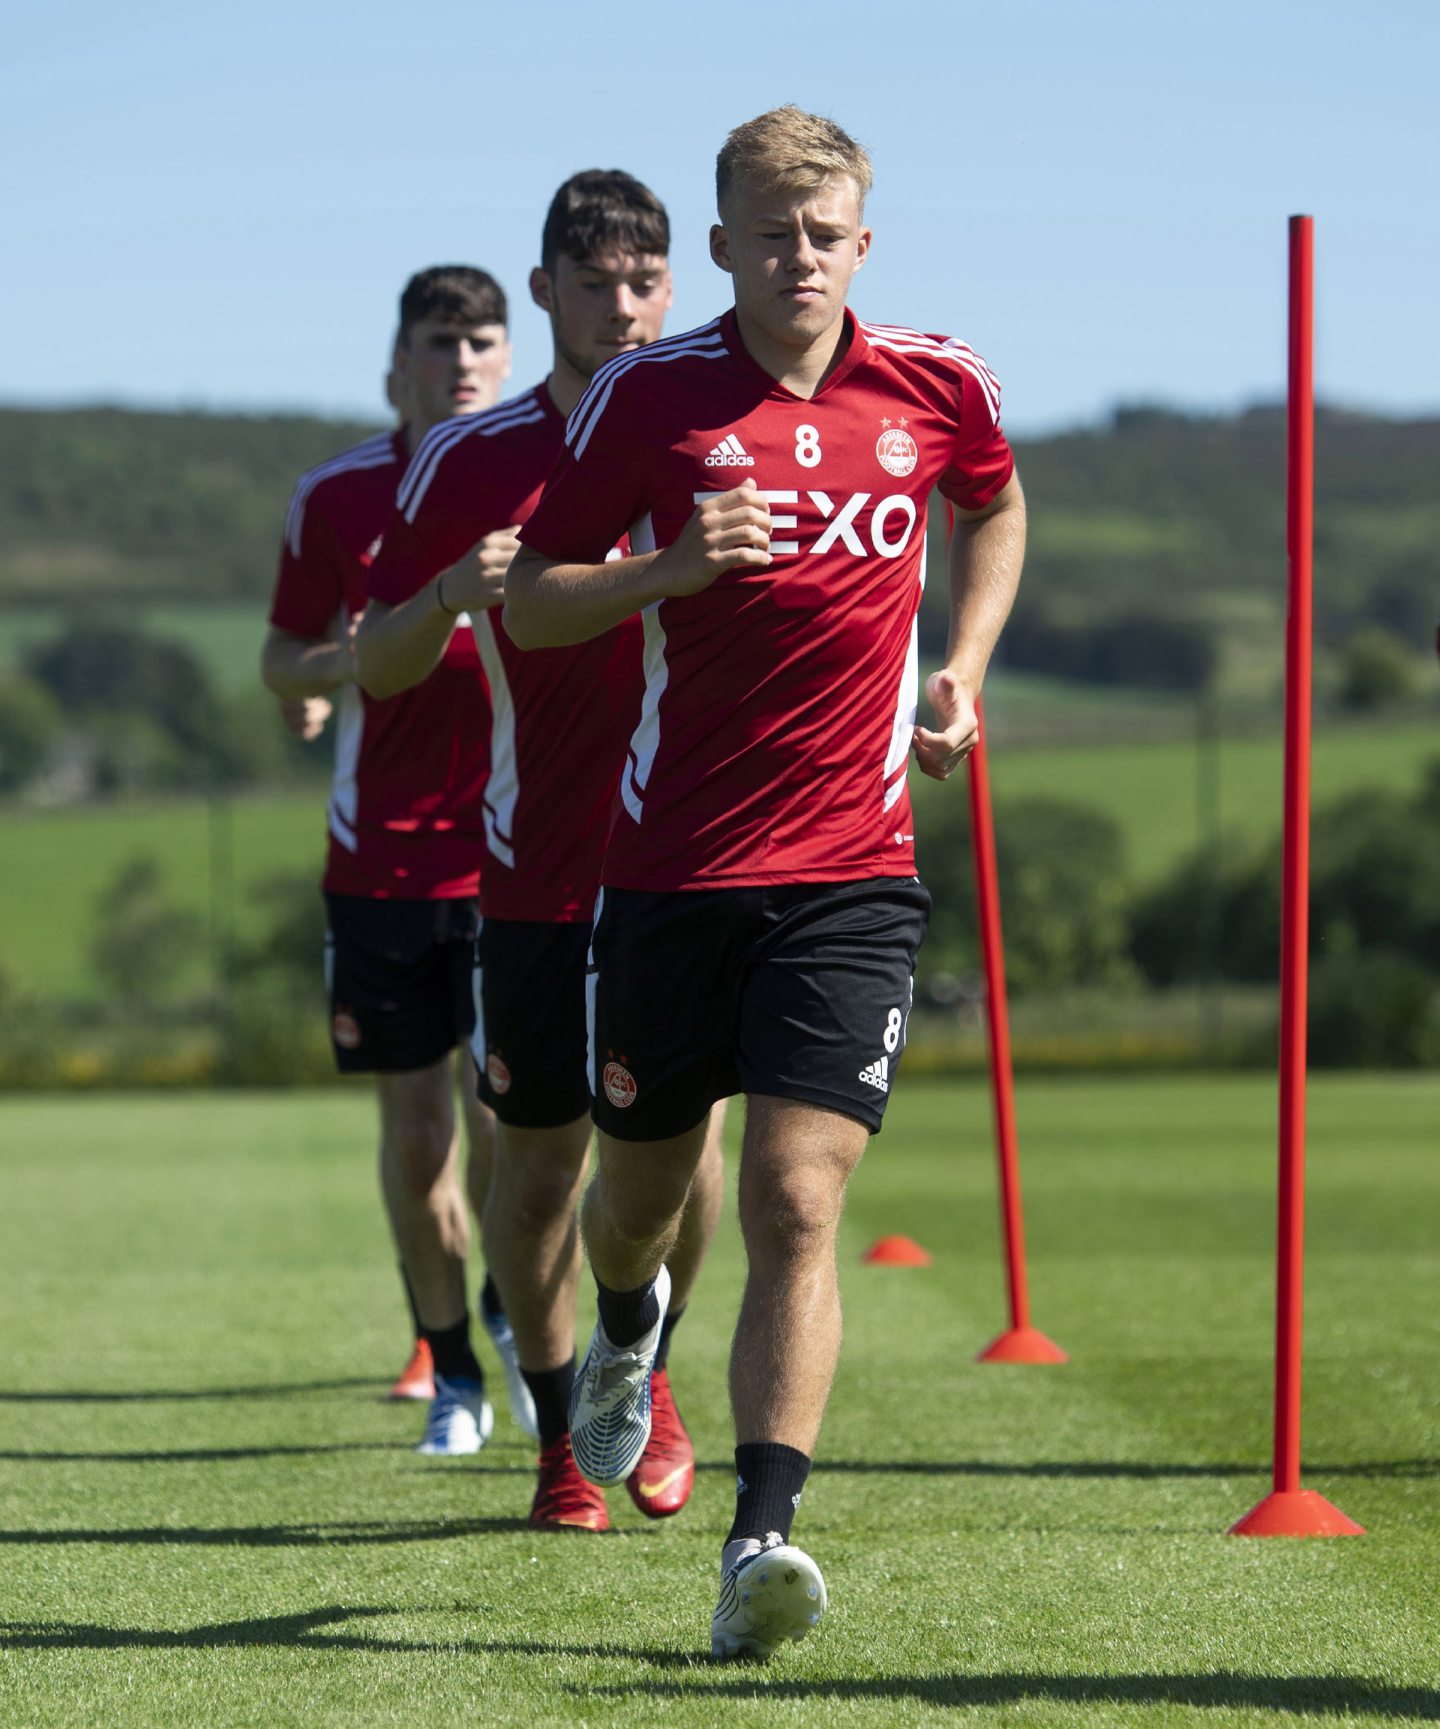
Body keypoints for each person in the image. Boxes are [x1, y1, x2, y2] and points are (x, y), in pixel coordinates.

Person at [505, 108, 1026, 1655]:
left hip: (855, 873)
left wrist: (965, 664)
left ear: (863, 241)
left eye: (827, 232)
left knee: (800, 1199)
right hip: (669, 876)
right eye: (769, 232)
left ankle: (759, 1540)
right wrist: (667, 570)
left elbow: (992, 500)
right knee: (640, 1205)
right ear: (719, 247)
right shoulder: (650, 402)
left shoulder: (937, 384)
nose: (799, 257)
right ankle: (621, 1336)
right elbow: (532, 603)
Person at [356, 172, 725, 1533]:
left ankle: (653, 1374)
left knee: (683, 1163)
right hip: (532, 873)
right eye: (592, 284)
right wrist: (453, 592)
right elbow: (381, 657)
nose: (620, 309)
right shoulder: (474, 460)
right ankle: (566, 1437)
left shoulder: (721, 434)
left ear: (672, 288)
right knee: (541, 1166)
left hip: (696, 860)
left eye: (642, 283)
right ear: (545, 293)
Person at [261, 265, 536, 1452]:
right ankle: (458, 1372)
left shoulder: (556, 477)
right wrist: (345, 668)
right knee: (418, 1137)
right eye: (442, 340)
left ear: (508, 353)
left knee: (506, 1126)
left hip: (519, 860)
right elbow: (285, 658)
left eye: (483, 339)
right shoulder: (337, 499)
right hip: (380, 863)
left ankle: (514, 1318)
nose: (464, 360)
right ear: (402, 360)